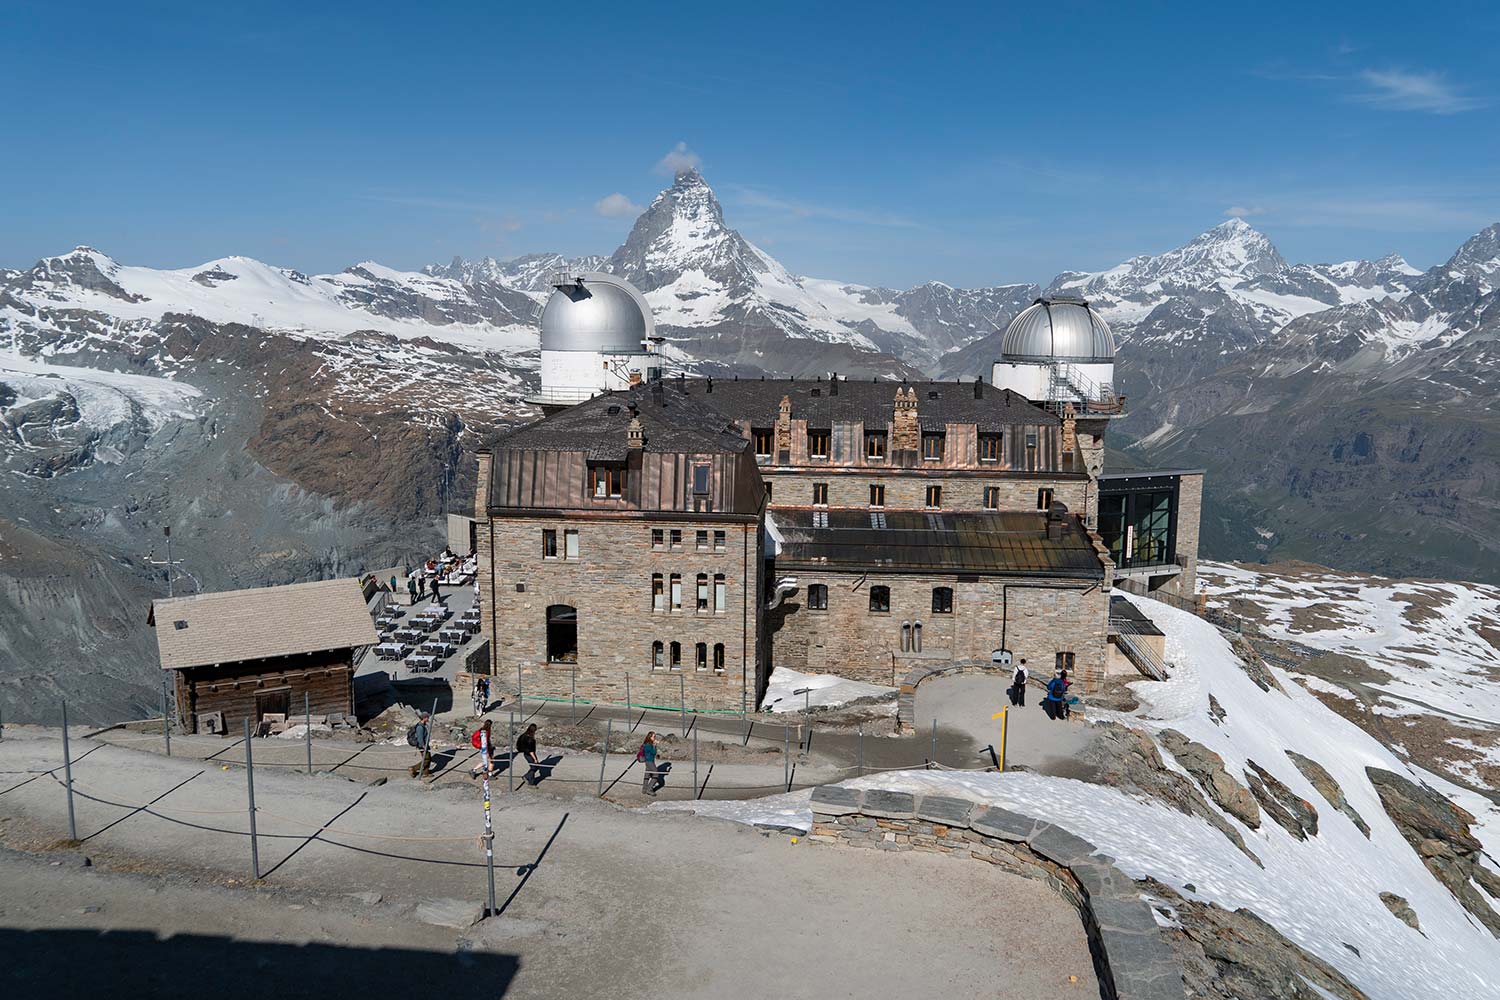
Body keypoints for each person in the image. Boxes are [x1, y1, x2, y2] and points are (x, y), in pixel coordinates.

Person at [408, 711, 433, 777]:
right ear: (424, 718)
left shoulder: (423, 725)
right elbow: (420, 738)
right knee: (426, 759)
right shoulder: (420, 727)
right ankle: (413, 768)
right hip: (422, 746)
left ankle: (426, 772)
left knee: (428, 758)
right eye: (427, 717)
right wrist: (423, 746)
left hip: (425, 745)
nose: (428, 718)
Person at [639, 731, 664, 796]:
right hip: (649, 762)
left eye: (655, 736)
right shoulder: (648, 745)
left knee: (647, 775)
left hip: (649, 761)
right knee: (656, 775)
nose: (655, 738)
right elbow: (653, 752)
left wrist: (654, 744)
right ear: (650, 737)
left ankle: (644, 789)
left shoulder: (648, 744)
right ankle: (649, 789)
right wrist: (655, 745)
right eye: (653, 736)